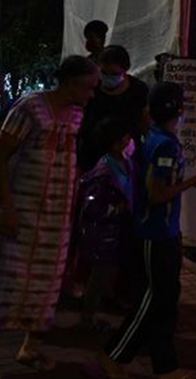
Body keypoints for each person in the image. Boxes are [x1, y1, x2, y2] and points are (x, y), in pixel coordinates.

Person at [0, 56, 99, 379]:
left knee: (46, 283)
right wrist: (8, 208)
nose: (92, 94)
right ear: (71, 83)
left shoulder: (78, 114)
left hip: (55, 215)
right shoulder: (29, 109)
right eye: (89, 87)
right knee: (2, 279)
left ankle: (30, 347)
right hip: (18, 209)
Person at [100, 81, 196, 379]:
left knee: (166, 300)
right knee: (153, 301)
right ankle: (114, 356)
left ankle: (166, 366)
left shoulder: (155, 137)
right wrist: (193, 182)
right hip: (156, 234)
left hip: (163, 233)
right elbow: (157, 194)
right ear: (178, 110)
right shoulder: (165, 145)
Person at [77, 117, 135, 329]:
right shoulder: (104, 171)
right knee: (99, 275)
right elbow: (93, 206)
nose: (129, 140)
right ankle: (87, 318)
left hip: (116, 229)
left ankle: (92, 313)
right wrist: (117, 209)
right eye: (126, 137)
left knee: (105, 273)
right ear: (116, 142)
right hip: (104, 233)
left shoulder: (124, 161)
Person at [78, 45, 149, 173]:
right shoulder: (91, 88)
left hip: (127, 160)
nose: (108, 77)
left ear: (126, 70)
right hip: (92, 159)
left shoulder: (138, 90)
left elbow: (146, 124)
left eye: (115, 74)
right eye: (104, 73)